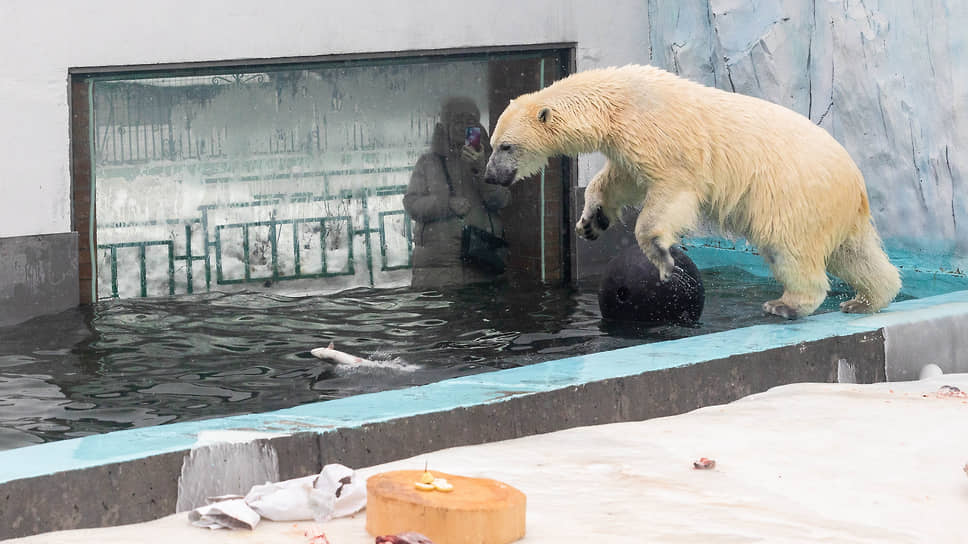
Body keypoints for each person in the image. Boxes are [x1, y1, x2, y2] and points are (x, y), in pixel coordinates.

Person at [404, 97, 511, 289]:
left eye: (470, 121)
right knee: (444, 318)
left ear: (477, 125)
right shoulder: (428, 162)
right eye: (458, 120)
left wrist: (480, 169)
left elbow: (501, 200)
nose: (463, 127)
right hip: (438, 271)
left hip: (482, 265)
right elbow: (412, 204)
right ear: (446, 125)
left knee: (480, 316)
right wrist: (446, 204)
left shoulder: (491, 160)